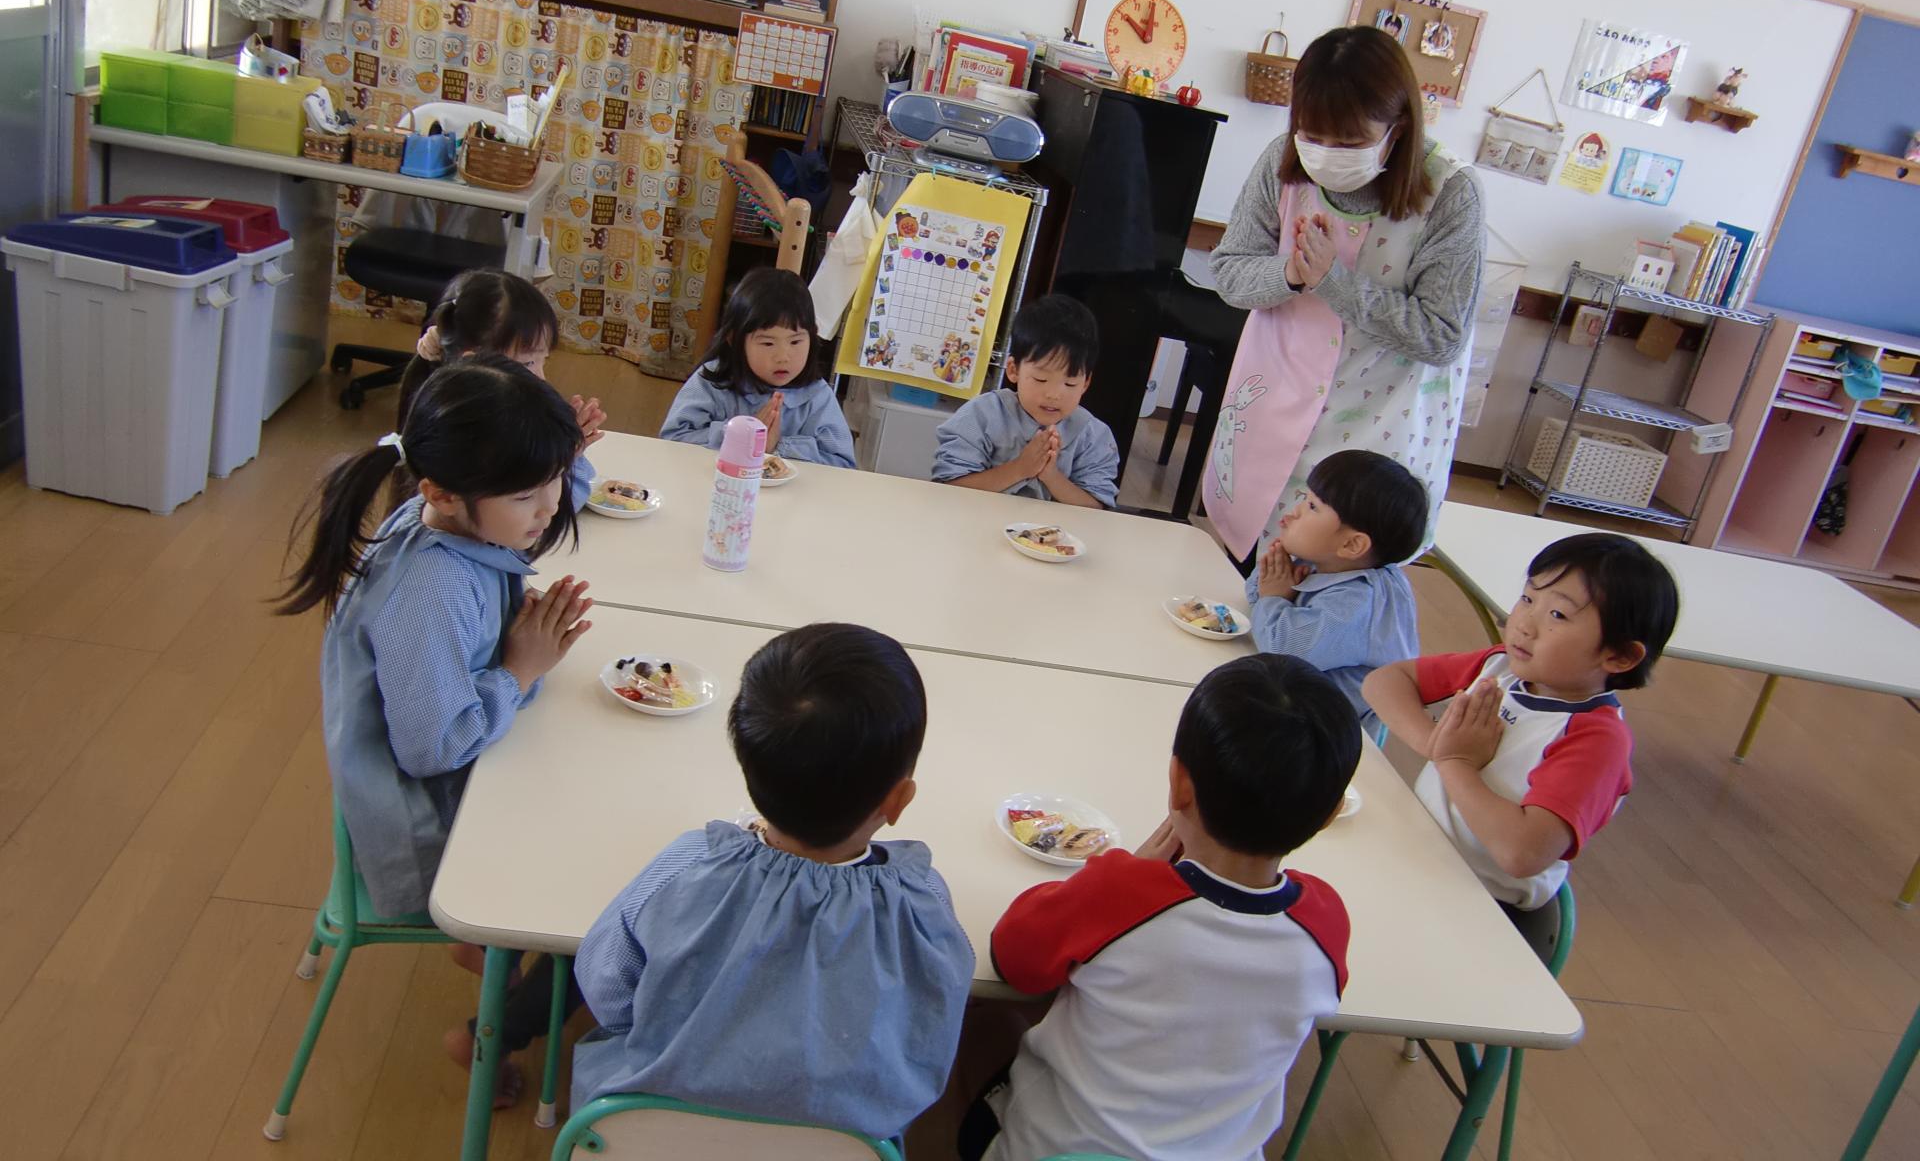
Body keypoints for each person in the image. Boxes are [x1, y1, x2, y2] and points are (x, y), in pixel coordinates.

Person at [570, 623, 975, 1141]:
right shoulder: (921, 904)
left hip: (644, 1136)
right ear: (898, 800)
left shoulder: (688, 865)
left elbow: (606, 985)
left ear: (747, 770)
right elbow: (928, 1038)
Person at [963, 654, 1358, 1161]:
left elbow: (1011, 957)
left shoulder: (1123, 892)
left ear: (1178, 782)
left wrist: (1124, 871)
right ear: (1329, 815)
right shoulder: (1325, 920)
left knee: (986, 1022)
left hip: (1059, 1152)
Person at [277, 357, 593, 916]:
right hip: (431, 833)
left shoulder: (440, 520)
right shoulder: (432, 590)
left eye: (557, 478)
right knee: (590, 861)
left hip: (466, 776)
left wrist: (514, 632)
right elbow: (434, 748)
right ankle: (477, 944)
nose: (550, 506)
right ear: (444, 494)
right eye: (525, 495)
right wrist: (519, 668)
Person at [1205, 25, 1487, 566]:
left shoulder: (1452, 192)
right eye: (1313, 136)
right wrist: (1291, 273)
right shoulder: (1282, 160)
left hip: (1378, 429)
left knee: (1339, 578)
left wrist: (1332, 282)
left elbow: (1442, 335)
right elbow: (1231, 273)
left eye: (1351, 143)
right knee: (1248, 565)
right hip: (1272, 407)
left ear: (1398, 129)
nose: (1327, 155)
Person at [1362, 533, 1678, 921]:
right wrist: (1435, 744)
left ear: (1620, 656)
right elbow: (1384, 682)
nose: (1524, 624)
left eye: (1558, 615)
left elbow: (1522, 853)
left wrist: (1456, 762)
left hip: (1480, 906)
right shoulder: (1500, 667)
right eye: (1528, 599)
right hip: (1418, 856)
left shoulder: (1596, 740)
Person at [396, 269, 606, 509]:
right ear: (474, 362)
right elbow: (543, 515)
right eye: (528, 362)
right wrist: (562, 459)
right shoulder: (477, 441)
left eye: (543, 360)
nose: (542, 378)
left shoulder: (486, 414)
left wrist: (563, 447)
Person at [1245, 449, 1425, 717]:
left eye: (1312, 507)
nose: (1295, 511)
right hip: (1290, 701)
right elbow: (1256, 594)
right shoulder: (1326, 559)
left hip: (1325, 728)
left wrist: (1274, 597)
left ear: (1352, 544)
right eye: (1305, 499)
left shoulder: (1357, 602)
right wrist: (1275, 583)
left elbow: (1281, 651)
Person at [933, 294, 1121, 509]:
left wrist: (1050, 475)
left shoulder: (1093, 435)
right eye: (1041, 379)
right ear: (1013, 370)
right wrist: (1021, 468)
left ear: (1086, 383)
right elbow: (950, 489)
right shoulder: (982, 415)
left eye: (1070, 384)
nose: (1054, 395)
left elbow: (1096, 509)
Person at [659, 267, 855, 467]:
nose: (783, 357)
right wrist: (740, 436)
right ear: (734, 339)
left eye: (795, 342)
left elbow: (843, 464)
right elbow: (672, 439)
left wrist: (779, 447)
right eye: (768, 343)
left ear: (812, 336)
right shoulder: (712, 382)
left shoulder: (817, 396)